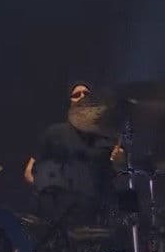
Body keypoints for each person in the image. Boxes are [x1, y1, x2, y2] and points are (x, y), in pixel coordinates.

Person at [22, 82, 122, 224]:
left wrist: (119, 162)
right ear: (69, 102)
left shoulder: (106, 137)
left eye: (86, 94)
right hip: (60, 217)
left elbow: (117, 180)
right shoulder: (55, 133)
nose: (82, 97)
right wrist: (48, 194)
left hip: (97, 218)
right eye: (76, 95)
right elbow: (29, 172)